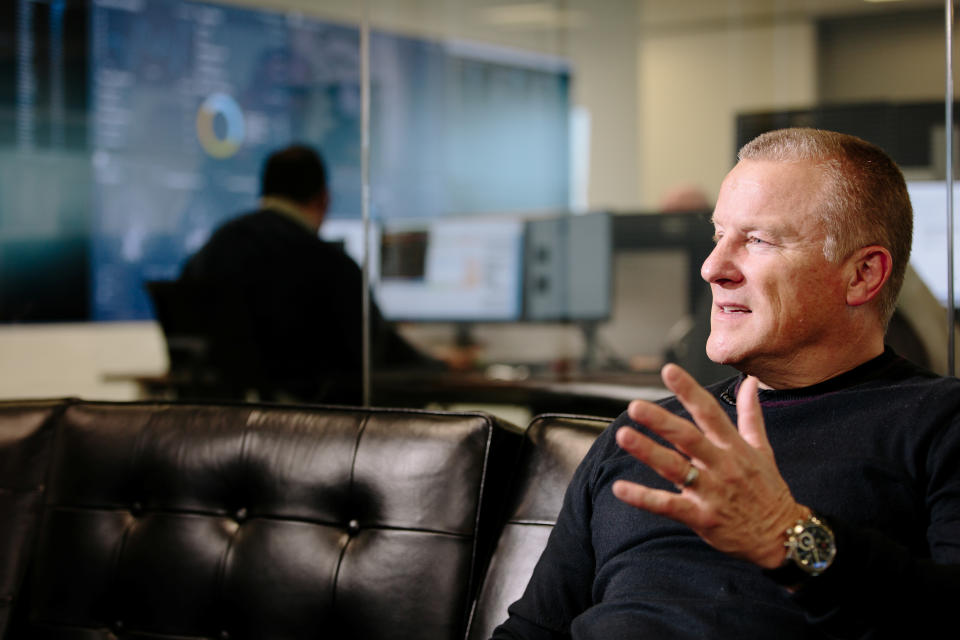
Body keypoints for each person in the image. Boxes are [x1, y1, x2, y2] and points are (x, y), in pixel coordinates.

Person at [493, 128, 960, 638]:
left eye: (758, 240)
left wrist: (788, 537)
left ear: (862, 276)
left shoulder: (940, 423)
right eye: (719, 236)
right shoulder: (649, 432)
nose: (712, 268)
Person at [179, 143, 437, 403]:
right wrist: (438, 365)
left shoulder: (209, 252)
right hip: (309, 429)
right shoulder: (330, 266)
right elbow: (377, 354)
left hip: (216, 427)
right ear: (324, 198)